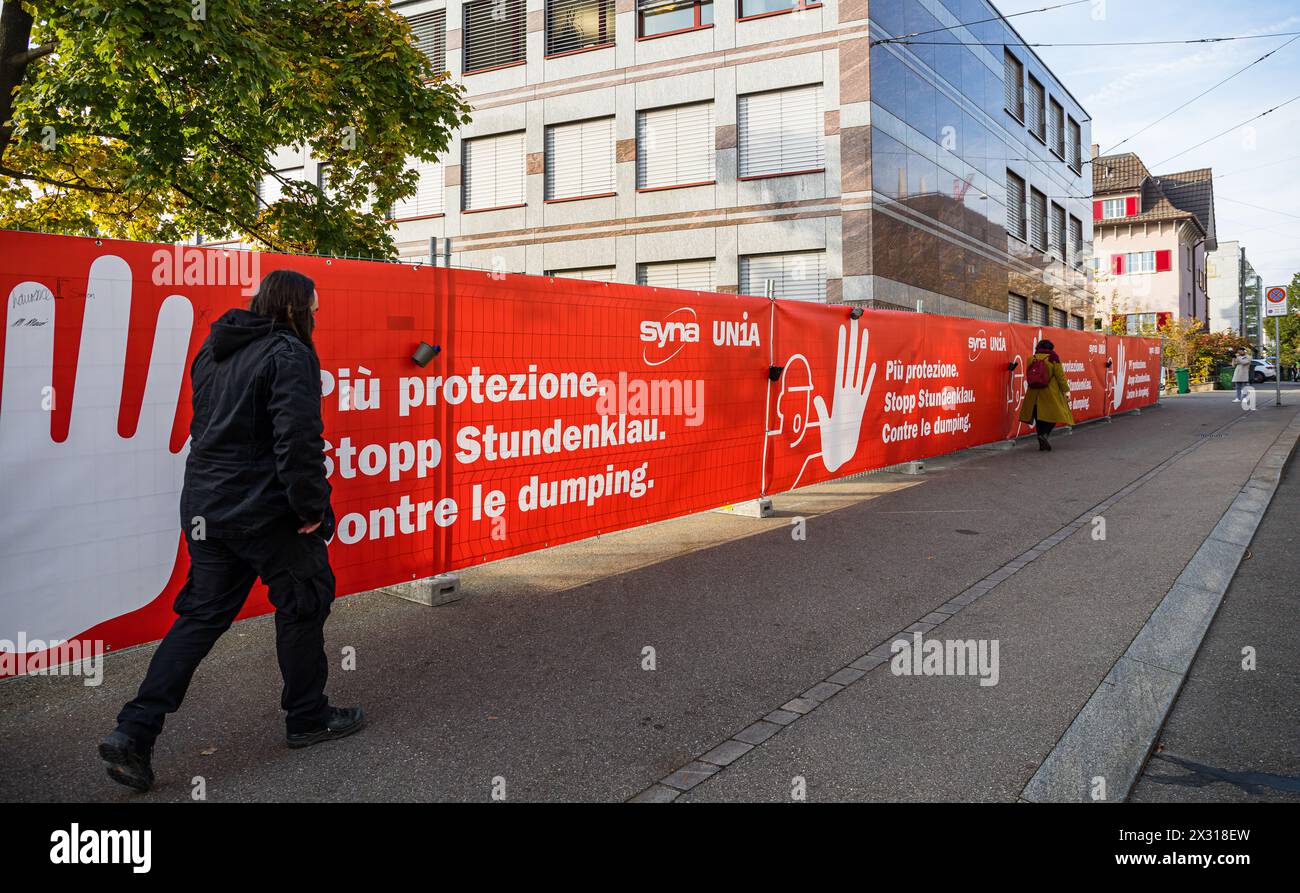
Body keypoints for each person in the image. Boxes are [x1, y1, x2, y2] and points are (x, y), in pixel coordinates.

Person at [100, 270, 363, 793]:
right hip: (267, 512)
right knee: (303, 603)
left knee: (200, 618)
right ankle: (307, 718)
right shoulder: (289, 354)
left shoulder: (214, 349)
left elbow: (208, 428)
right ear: (295, 308)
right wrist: (310, 506)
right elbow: (299, 438)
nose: (316, 316)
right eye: (314, 306)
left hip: (207, 507)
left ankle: (134, 730)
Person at [1018, 339, 1074, 451]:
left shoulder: (1031, 359)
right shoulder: (1053, 358)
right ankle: (1044, 435)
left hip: (1033, 393)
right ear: (1051, 348)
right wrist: (1066, 390)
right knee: (1056, 414)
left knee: (1039, 417)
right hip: (1050, 393)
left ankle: (1040, 439)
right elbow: (1060, 377)